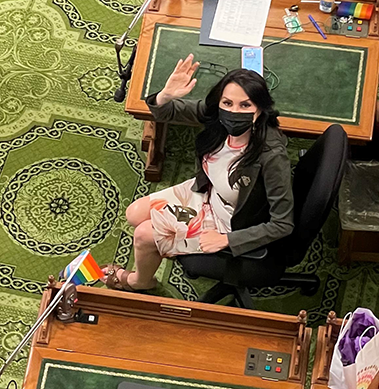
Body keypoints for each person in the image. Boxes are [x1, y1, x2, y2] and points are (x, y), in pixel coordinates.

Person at [102, 55, 294, 291]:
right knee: (134, 214)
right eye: (228, 103)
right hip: (206, 193)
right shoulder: (216, 118)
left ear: (260, 108)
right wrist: (166, 95)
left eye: (245, 105)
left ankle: (140, 282)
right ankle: (166, 245)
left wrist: (226, 240)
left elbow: (283, 224)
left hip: (229, 222)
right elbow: (166, 113)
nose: (234, 111)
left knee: (143, 234)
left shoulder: (271, 156)